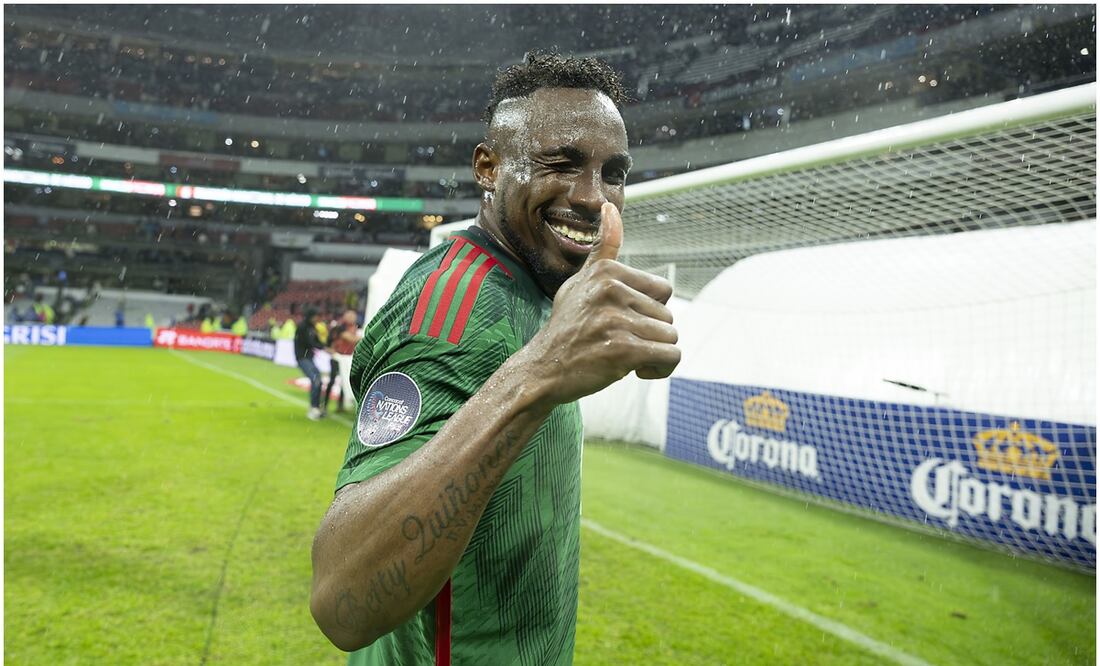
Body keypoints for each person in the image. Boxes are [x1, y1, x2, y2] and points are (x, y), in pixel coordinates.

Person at [310, 52, 680, 665]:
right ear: (489, 166)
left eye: (612, 173)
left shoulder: (538, 290)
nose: (593, 197)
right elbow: (342, 600)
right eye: (560, 164)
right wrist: (541, 371)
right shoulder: (450, 309)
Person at [323, 310, 361, 414]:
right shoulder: (339, 328)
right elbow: (350, 339)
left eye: (353, 316)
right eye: (349, 316)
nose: (352, 318)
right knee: (332, 380)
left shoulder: (356, 327)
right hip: (337, 356)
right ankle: (324, 405)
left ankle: (340, 405)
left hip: (348, 358)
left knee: (346, 381)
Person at [295, 308, 327, 421]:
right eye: (316, 316)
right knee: (315, 379)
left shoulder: (312, 327)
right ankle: (313, 408)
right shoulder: (302, 327)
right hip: (302, 358)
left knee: (318, 380)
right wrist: (324, 347)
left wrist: (325, 346)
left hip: (308, 358)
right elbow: (309, 342)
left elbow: (317, 341)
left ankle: (316, 407)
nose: (318, 319)